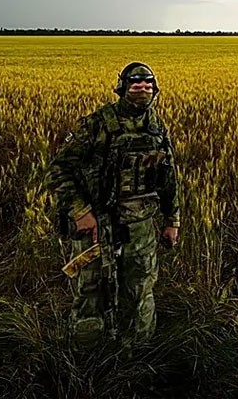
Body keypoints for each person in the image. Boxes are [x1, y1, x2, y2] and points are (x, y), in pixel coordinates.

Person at [48, 61, 181, 348]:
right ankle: (87, 357)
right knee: (92, 292)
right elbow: (58, 171)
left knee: (140, 290)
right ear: (122, 88)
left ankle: (135, 354)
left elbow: (169, 177)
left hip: (140, 228)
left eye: (148, 85)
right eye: (135, 84)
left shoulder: (157, 128)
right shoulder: (96, 124)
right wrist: (81, 213)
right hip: (98, 225)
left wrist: (172, 221)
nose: (142, 90)